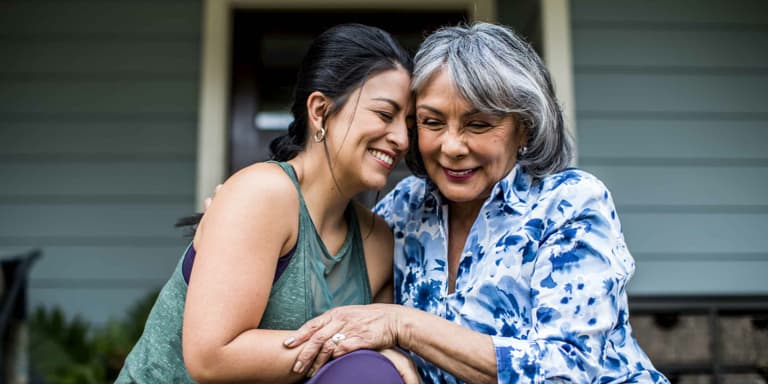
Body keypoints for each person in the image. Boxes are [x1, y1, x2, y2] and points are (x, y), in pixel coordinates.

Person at [282, 22, 670, 384]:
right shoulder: (402, 211)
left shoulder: (568, 204)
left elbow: (565, 369)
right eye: (432, 123)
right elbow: (329, 300)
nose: (451, 147)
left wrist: (403, 325)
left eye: (478, 124)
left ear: (525, 127)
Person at [116, 23, 420, 383]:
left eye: (410, 124)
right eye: (385, 115)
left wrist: (377, 355)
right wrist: (351, 345)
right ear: (320, 111)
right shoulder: (263, 194)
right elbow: (212, 357)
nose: (401, 138)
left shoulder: (377, 242)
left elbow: (368, 368)